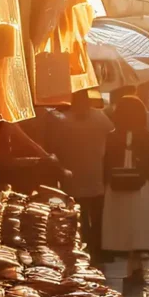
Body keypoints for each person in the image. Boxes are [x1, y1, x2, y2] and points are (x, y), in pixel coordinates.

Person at [48, 90, 114, 261]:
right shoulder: (100, 118)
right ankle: (99, 249)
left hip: (73, 173)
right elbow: (112, 137)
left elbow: (55, 145)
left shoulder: (63, 120)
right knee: (98, 215)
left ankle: (80, 247)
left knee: (77, 214)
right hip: (96, 172)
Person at [101, 96, 149, 280]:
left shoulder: (111, 136)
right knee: (139, 223)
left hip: (117, 186)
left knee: (121, 223)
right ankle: (136, 260)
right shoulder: (148, 137)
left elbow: (106, 163)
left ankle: (127, 255)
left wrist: (107, 182)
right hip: (141, 186)